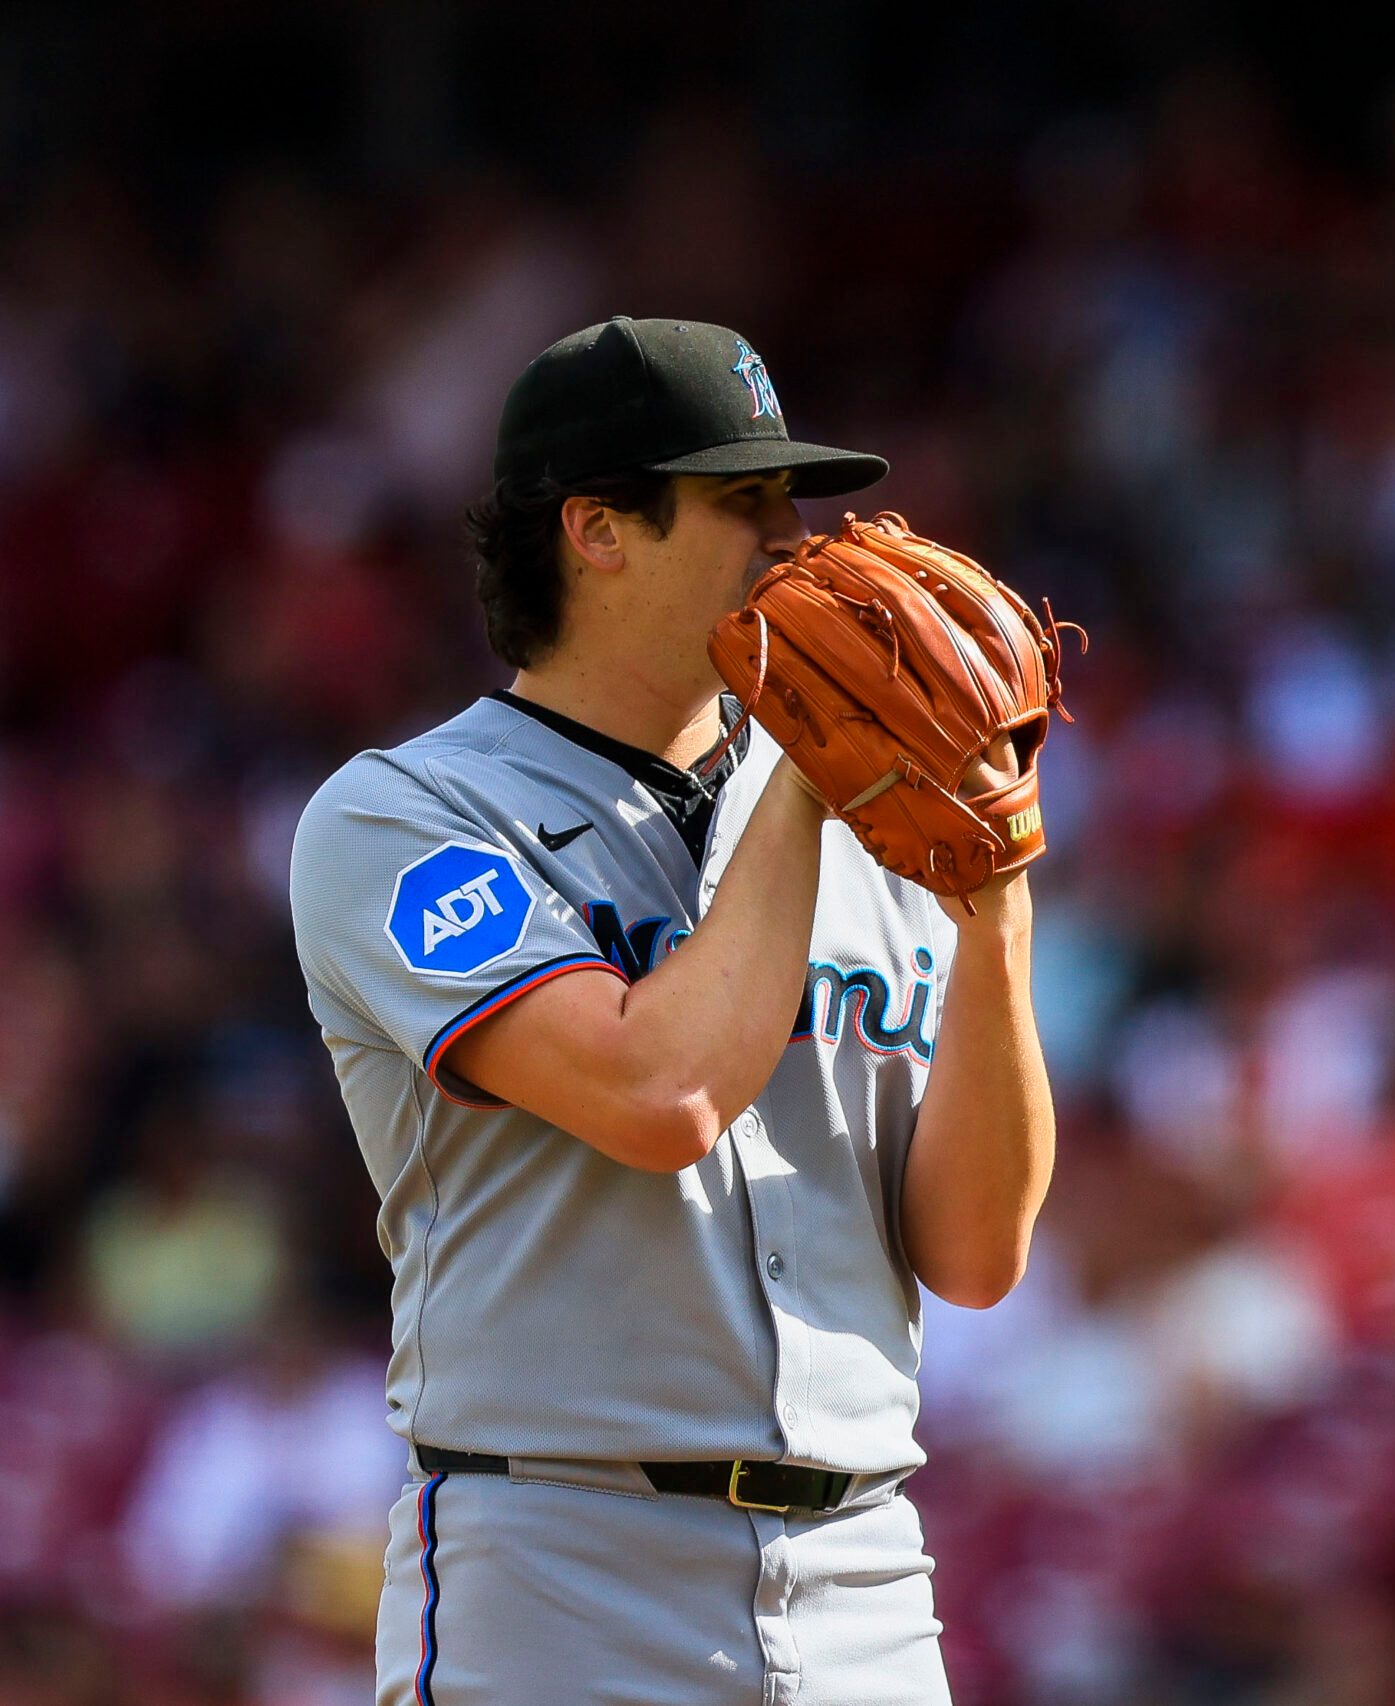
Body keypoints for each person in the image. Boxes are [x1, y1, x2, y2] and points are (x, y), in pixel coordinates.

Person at [286, 315, 1055, 1705]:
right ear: (596, 529)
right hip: (566, 1564)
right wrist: (815, 780)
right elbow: (659, 1096)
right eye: (739, 497)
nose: (796, 536)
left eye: (792, 495)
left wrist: (995, 907)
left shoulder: (866, 806)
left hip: (866, 1569)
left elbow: (978, 1248)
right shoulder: (408, 814)